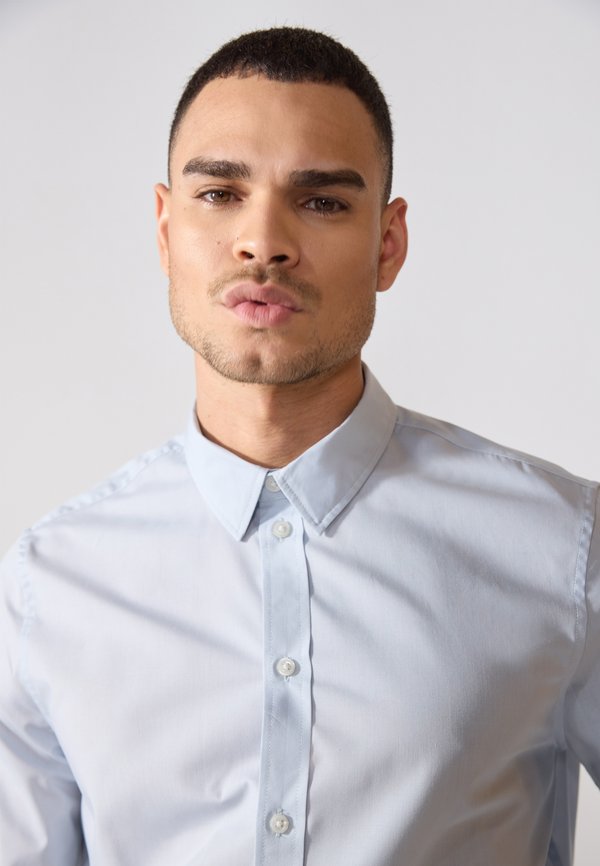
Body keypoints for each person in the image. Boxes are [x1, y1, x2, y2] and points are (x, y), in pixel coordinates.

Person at [0, 26, 598, 866]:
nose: (264, 242)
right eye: (220, 193)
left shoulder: (561, 547)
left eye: (321, 201)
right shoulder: (51, 585)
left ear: (388, 243)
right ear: (165, 230)